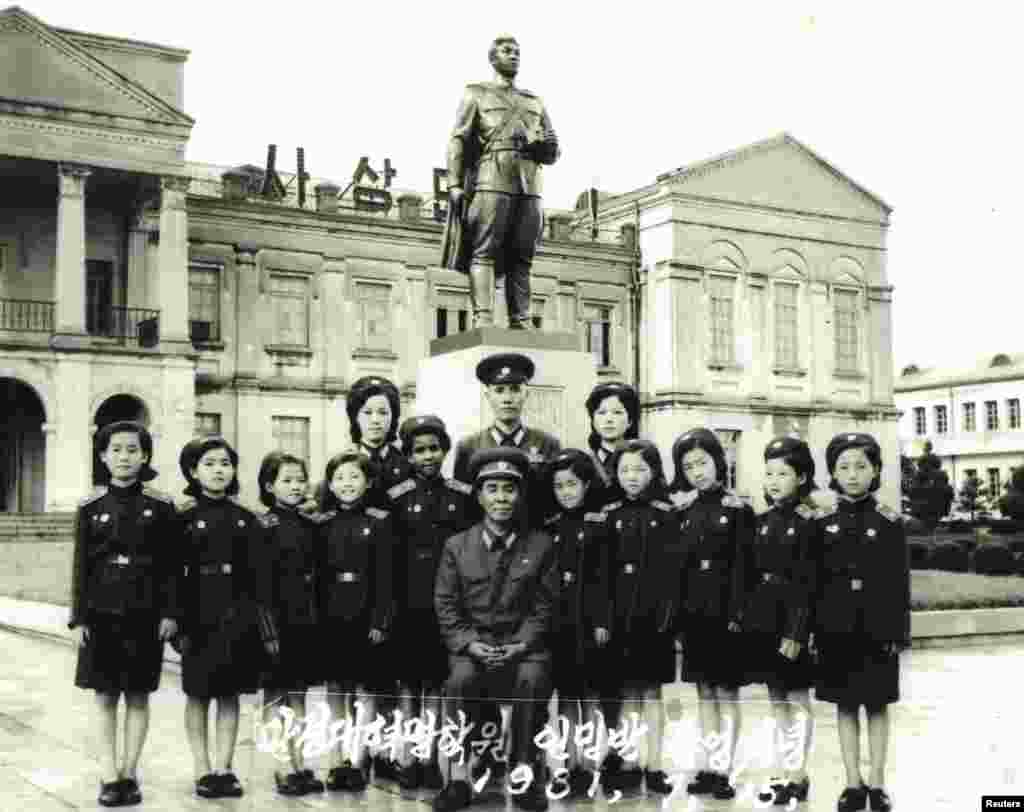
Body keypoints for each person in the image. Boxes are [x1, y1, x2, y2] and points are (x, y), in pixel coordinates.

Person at [433, 447, 559, 812]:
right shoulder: (457, 546)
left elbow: (545, 606)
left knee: (533, 678)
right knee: (459, 682)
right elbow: (446, 605)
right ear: (478, 495)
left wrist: (521, 644)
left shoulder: (540, 545)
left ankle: (523, 776)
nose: (501, 498)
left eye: (509, 489)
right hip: (474, 645)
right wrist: (469, 644)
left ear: (520, 495)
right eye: (492, 489)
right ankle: (458, 778)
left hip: (523, 646)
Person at [69, 420, 180, 808]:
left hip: (145, 615)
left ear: (145, 455)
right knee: (104, 696)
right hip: (101, 614)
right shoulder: (90, 508)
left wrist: (169, 613)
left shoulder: (162, 507)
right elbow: (80, 567)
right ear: (102, 456)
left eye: (132, 449)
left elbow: (170, 566)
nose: (124, 457)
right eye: (115, 449)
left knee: (137, 695)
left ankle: (130, 773)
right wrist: (79, 618)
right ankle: (107, 773)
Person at [176, 437, 278, 800]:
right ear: (193, 470)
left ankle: (225, 767)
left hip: (237, 619)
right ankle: (202, 769)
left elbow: (258, 579)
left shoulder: (246, 519)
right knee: (198, 696)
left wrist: (258, 625)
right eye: (209, 463)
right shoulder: (182, 517)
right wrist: (178, 625)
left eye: (225, 463)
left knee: (230, 696)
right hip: (197, 619)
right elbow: (171, 576)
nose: (218, 470)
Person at [814, 433, 909, 812]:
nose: (852, 475)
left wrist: (898, 633)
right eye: (844, 467)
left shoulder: (889, 522)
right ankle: (853, 782)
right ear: (833, 473)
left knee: (879, 706)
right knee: (845, 706)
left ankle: (879, 783)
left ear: (875, 471)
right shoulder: (822, 523)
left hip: (877, 630)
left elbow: (899, 583)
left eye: (861, 466)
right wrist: (814, 631)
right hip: (836, 630)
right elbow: (814, 582)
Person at [442, 35, 559, 328]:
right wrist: (454, 184)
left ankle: (520, 319)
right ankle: (483, 317)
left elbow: (553, 151)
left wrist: (546, 146)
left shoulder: (535, 102)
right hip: (491, 178)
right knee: (485, 251)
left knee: (523, 256)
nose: (514, 56)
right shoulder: (477, 94)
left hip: (529, 184)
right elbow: (458, 139)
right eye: (507, 51)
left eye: (518, 52)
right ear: (493, 58)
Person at [386, 415, 477, 790]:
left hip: (447, 606)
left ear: (445, 450)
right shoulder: (395, 497)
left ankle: (431, 759)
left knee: (439, 688)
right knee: (409, 687)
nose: (428, 456)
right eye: (419, 450)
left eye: (434, 449)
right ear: (408, 454)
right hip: (408, 605)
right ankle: (408, 757)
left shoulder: (461, 495)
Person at [671, 428, 755, 801]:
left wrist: (738, 614)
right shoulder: (685, 511)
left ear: (718, 461)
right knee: (704, 693)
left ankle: (725, 768)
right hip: (695, 615)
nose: (697, 471)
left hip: (726, 615)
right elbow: (681, 568)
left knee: (726, 694)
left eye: (702, 462)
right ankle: (707, 764)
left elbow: (744, 567)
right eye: (688, 466)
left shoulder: (738, 509)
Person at [599, 439, 680, 796]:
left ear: (654, 472)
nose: (632, 477)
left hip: (654, 618)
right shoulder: (609, 514)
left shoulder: (666, 514)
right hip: (620, 617)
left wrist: (669, 617)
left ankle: (656, 763)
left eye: (640, 469)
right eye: (625, 470)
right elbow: (601, 573)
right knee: (628, 693)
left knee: (652, 694)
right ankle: (630, 761)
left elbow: (675, 571)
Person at [317, 450, 394, 792]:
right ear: (330, 485)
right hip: (333, 615)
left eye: (354, 476)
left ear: (369, 481)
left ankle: (358, 760)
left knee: (365, 693)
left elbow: (387, 578)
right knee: (336, 691)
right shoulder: (322, 524)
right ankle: (335, 762)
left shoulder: (379, 521)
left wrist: (381, 620)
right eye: (339, 478)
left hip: (367, 615)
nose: (347, 484)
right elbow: (317, 577)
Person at [747, 437, 818, 806]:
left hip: (794, 621)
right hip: (766, 619)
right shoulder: (761, 521)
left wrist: (797, 631)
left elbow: (808, 582)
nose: (774, 480)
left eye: (784, 473)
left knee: (796, 698)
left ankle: (798, 773)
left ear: (802, 477)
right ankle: (782, 768)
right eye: (769, 473)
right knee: (775, 699)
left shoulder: (808, 522)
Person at [540, 449, 612, 798]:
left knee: (592, 700)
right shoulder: (552, 528)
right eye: (559, 486)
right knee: (567, 699)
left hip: (590, 624)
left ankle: (590, 765)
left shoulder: (600, 524)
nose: (566, 492)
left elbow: (604, 580)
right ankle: (566, 763)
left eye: (572, 484)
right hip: (561, 626)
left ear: (586, 484)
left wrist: (602, 620)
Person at [256, 451, 324, 797]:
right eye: (287, 480)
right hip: (275, 623)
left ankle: (300, 762)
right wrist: (267, 631)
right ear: (270, 486)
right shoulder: (264, 527)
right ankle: (281, 764)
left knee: (299, 695)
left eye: (301, 480)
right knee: (274, 696)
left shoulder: (312, 526)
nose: (296, 486)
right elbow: (260, 587)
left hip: (304, 622)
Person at [451, 352, 561, 499]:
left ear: (526, 394)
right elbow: (462, 499)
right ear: (488, 395)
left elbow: (554, 496)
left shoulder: (548, 443)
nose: (507, 399)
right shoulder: (468, 446)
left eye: (515, 389)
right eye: (499, 390)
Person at [584, 382, 640, 487]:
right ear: (593, 420)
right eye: (601, 413)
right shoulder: (584, 462)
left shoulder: (642, 460)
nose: (609, 419)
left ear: (630, 421)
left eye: (617, 412)